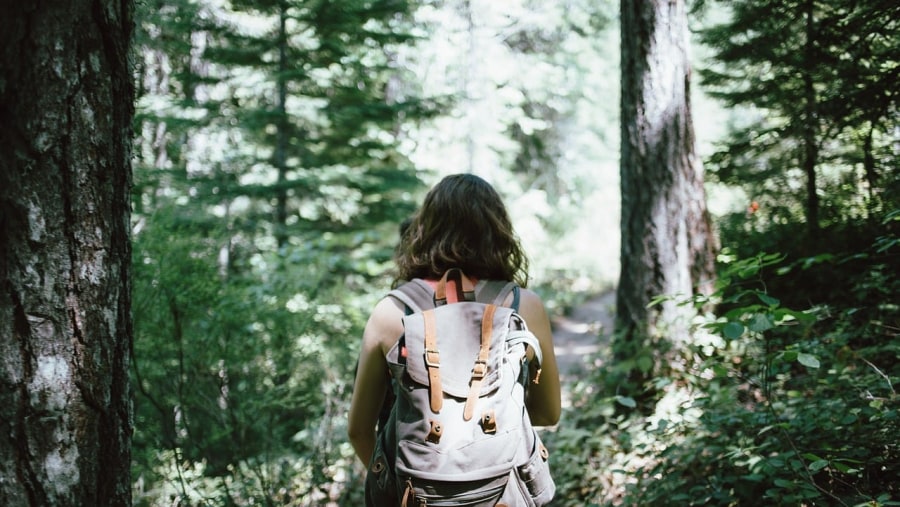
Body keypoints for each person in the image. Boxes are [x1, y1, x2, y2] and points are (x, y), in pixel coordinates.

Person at [347, 173, 561, 469]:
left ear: (425, 229)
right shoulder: (524, 306)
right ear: (497, 232)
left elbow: (359, 430)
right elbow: (548, 414)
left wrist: (389, 484)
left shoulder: (391, 311)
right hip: (500, 491)